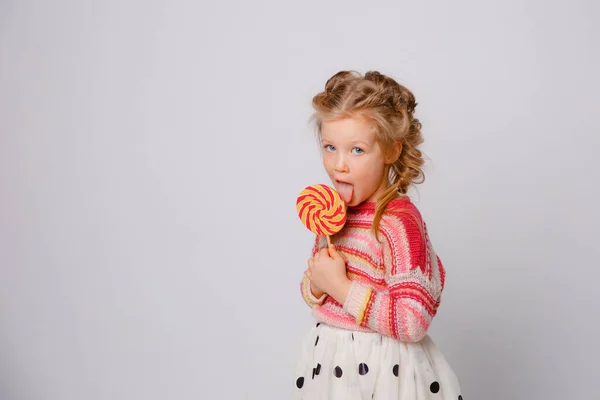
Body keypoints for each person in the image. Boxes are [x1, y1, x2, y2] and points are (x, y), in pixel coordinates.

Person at [291, 70, 463, 400]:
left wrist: (340, 286)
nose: (339, 165)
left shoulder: (398, 223)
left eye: (357, 150)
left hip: (385, 374)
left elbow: (413, 322)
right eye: (330, 147)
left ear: (391, 151)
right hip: (329, 366)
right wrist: (316, 284)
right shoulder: (331, 215)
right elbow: (314, 288)